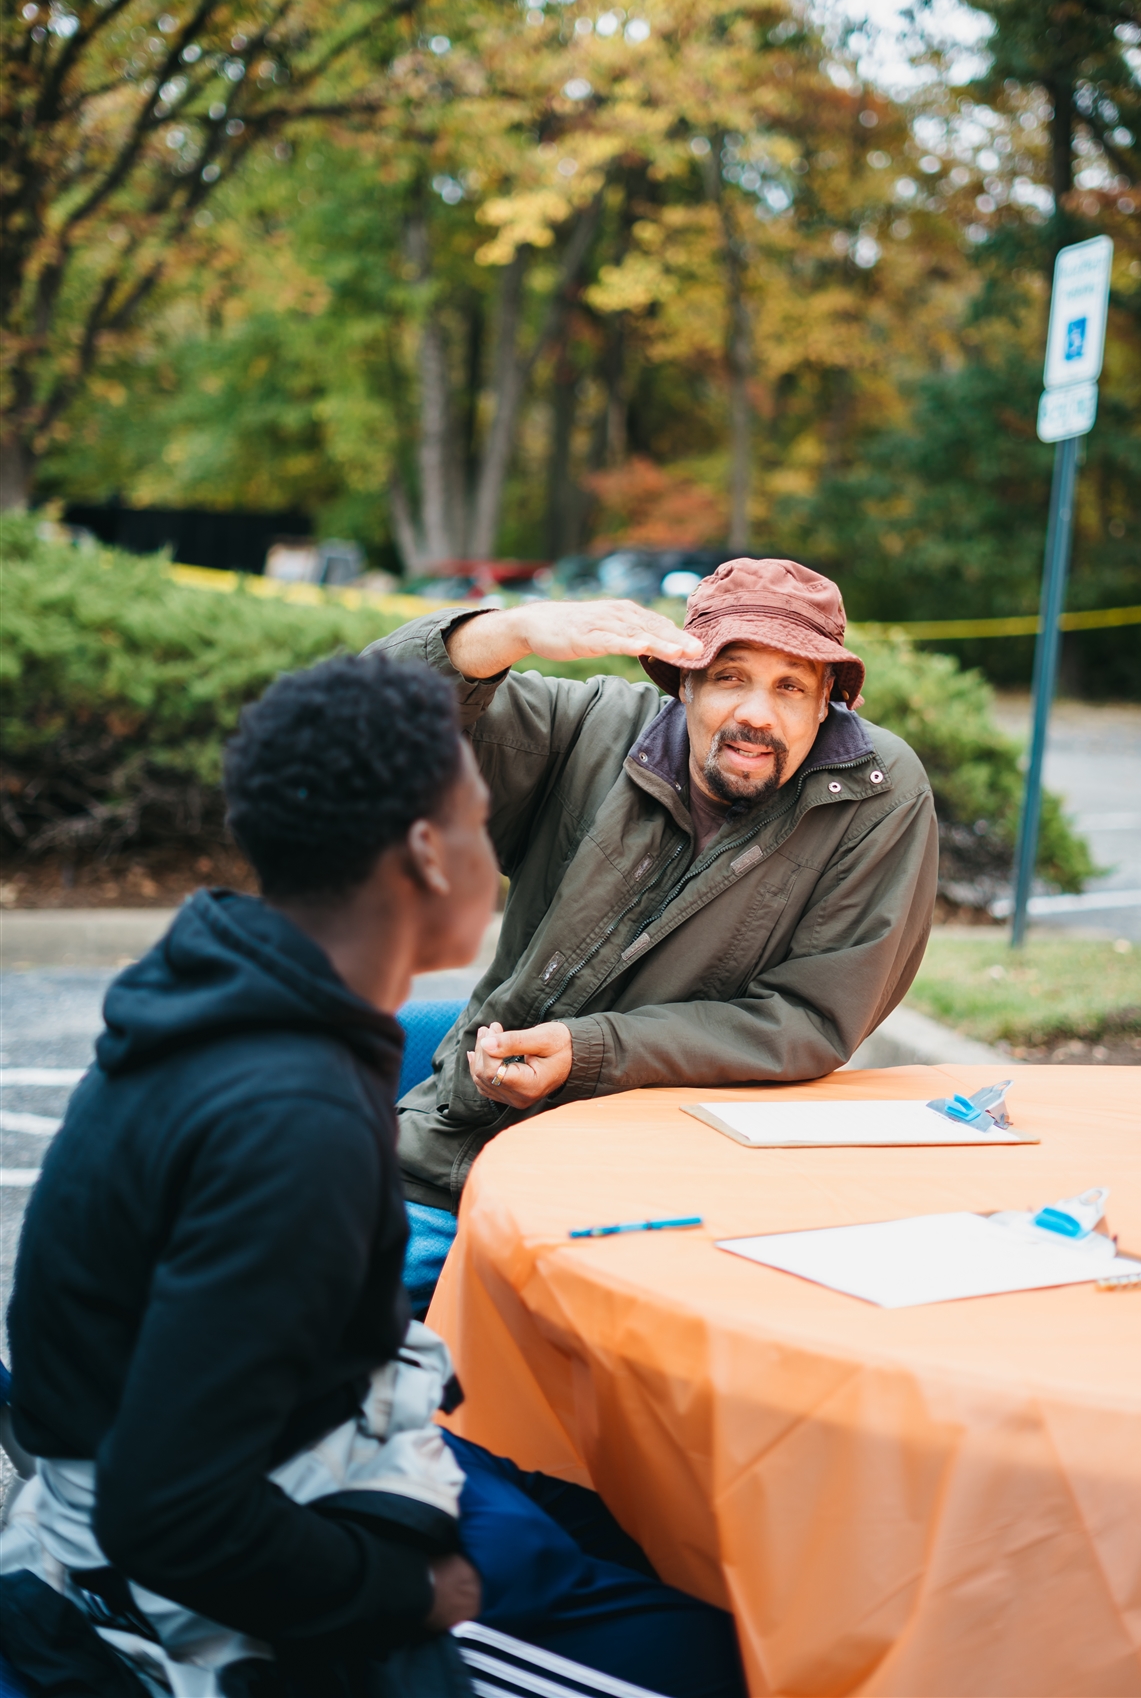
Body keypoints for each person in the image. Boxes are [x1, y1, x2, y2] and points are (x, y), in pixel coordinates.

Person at [1, 655, 746, 1698]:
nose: (496, 856)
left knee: (659, 1536)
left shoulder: (232, 991)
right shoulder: (288, 1122)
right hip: (200, 1589)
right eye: (481, 824)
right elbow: (164, 1515)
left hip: (311, 1446)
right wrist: (415, 1593)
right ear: (429, 854)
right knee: (727, 1663)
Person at [369, 557, 938, 1292]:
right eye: (730, 676)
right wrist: (511, 630)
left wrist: (594, 1052)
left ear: (828, 699)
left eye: (791, 686)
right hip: (457, 1168)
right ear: (683, 681)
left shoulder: (876, 795)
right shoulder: (592, 728)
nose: (757, 715)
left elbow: (809, 1019)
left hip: (669, 1205)